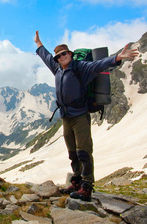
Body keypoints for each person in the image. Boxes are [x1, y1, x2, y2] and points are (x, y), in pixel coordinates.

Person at [34, 30, 139, 201]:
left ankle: (87, 186)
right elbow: (46, 57)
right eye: (59, 56)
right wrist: (38, 44)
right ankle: (76, 181)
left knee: (84, 151)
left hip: (80, 116)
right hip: (66, 117)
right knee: (72, 152)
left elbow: (99, 65)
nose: (61, 57)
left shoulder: (80, 68)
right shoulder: (58, 69)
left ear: (70, 54)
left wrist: (118, 57)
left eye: (64, 54)